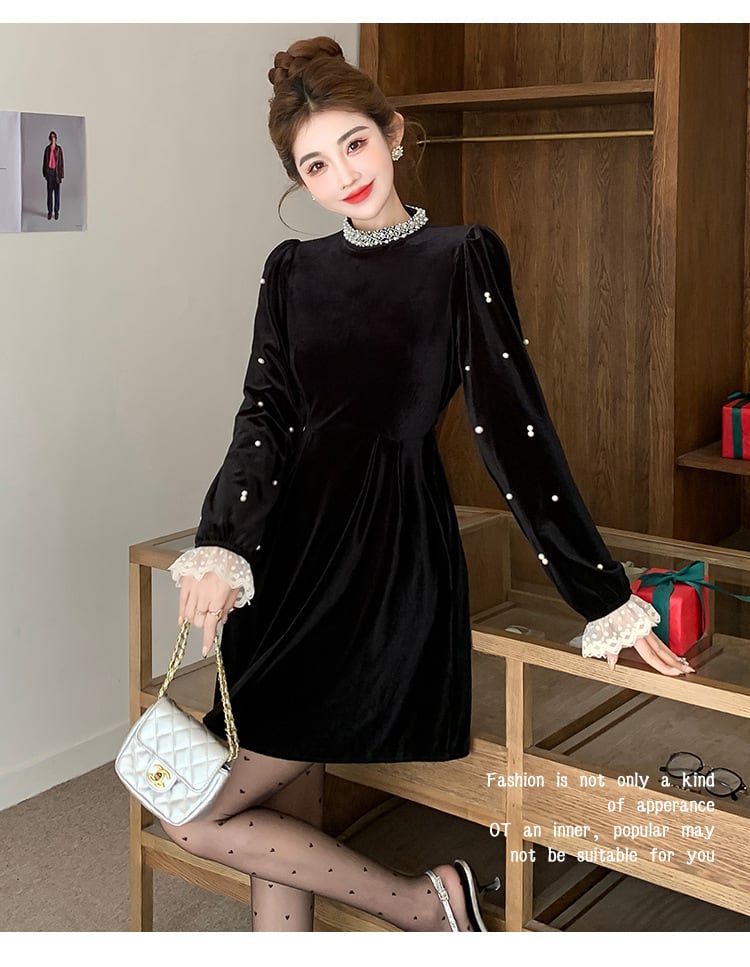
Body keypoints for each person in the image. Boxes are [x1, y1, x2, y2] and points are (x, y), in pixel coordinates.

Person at [162, 36, 693, 932]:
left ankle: (427, 901)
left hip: (383, 558)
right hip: (285, 563)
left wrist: (605, 597)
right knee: (283, 784)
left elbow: (517, 434)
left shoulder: (460, 257)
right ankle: (408, 909)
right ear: (299, 179)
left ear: (395, 132)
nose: (344, 175)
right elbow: (265, 417)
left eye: (355, 144)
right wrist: (221, 543)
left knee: (195, 811)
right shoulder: (291, 270)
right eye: (316, 164)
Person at [42, 131, 64, 221]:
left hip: (56, 173)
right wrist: (45, 173)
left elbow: (61, 163)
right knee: (49, 194)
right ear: (49, 139)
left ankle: (56, 212)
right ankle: (50, 212)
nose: (53, 138)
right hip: (49, 173)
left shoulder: (59, 149)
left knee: (57, 194)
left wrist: (61, 175)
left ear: (56, 138)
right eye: (51, 137)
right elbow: (44, 162)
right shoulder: (47, 149)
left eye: (54, 137)